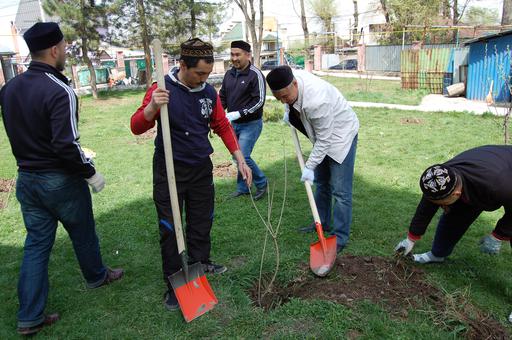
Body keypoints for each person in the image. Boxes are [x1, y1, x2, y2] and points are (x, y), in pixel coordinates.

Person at [0, 22, 123, 336]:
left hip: (26, 179)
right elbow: (65, 144)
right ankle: (96, 277)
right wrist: (90, 172)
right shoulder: (59, 89)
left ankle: (29, 316)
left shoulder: (9, 88)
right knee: (83, 233)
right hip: (60, 181)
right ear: (55, 49)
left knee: (36, 247)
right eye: (65, 46)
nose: (66, 51)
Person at [130, 38, 252, 311]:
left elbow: (221, 124)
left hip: (200, 168)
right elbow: (136, 126)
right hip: (169, 169)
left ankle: (199, 264)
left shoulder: (208, 92)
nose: (204, 79)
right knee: (170, 227)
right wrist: (152, 108)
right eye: (199, 73)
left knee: (201, 220)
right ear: (183, 65)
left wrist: (240, 160)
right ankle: (174, 283)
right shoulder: (161, 89)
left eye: (208, 74)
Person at [266, 66, 359, 253]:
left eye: (285, 96)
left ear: (294, 83)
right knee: (322, 183)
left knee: (340, 192)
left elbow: (326, 140)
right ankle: (321, 221)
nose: (284, 100)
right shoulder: (290, 82)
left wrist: (309, 166)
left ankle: (339, 236)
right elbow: (319, 138)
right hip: (321, 134)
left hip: (341, 136)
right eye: (279, 99)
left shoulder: (316, 100)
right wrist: (289, 109)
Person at [394, 145, 512, 263]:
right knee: (456, 215)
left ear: (456, 193)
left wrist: (498, 235)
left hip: (502, 174)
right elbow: (426, 208)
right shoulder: (440, 178)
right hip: (490, 167)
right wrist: (411, 239)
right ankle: (437, 255)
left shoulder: (499, 187)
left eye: (442, 204)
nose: (441, 207)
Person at [219, 40, 267, 200]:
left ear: (248, 55)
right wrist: (218, 114)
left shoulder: (255, 74)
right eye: (232, 54)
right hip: (234, 124)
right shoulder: (229, 74)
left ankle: (261, 182)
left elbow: (259, 101)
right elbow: (222, 98)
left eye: (237, 54)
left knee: (244, 156)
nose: (234, 58)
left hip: (251, 124)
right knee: (236, 156)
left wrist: (239, 113)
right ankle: (243, 187)